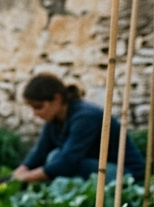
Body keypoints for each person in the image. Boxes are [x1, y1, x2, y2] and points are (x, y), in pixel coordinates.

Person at [13, 73, 146, 183]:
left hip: (127, 173)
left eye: (39, 107)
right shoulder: (54, 120)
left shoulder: (86, 117)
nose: (35, 113)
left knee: (58, 160)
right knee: (53, 157)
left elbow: (67, 162)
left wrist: (24, 179)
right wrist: (16, 175)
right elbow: (39, 154)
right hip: (95, 167)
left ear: (57, 99)